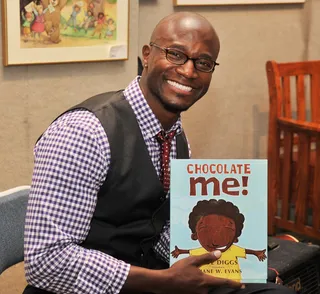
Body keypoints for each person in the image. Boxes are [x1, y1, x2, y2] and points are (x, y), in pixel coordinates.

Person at [23, 12, 295, 294]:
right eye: (176, 54)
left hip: (152, 278)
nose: (189, 72)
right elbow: (46, 262)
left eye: (203, 62)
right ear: (147, 56)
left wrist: (231, 265)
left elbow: (158, 228)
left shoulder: (175, 135)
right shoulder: (83, 133)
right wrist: (163, 282)